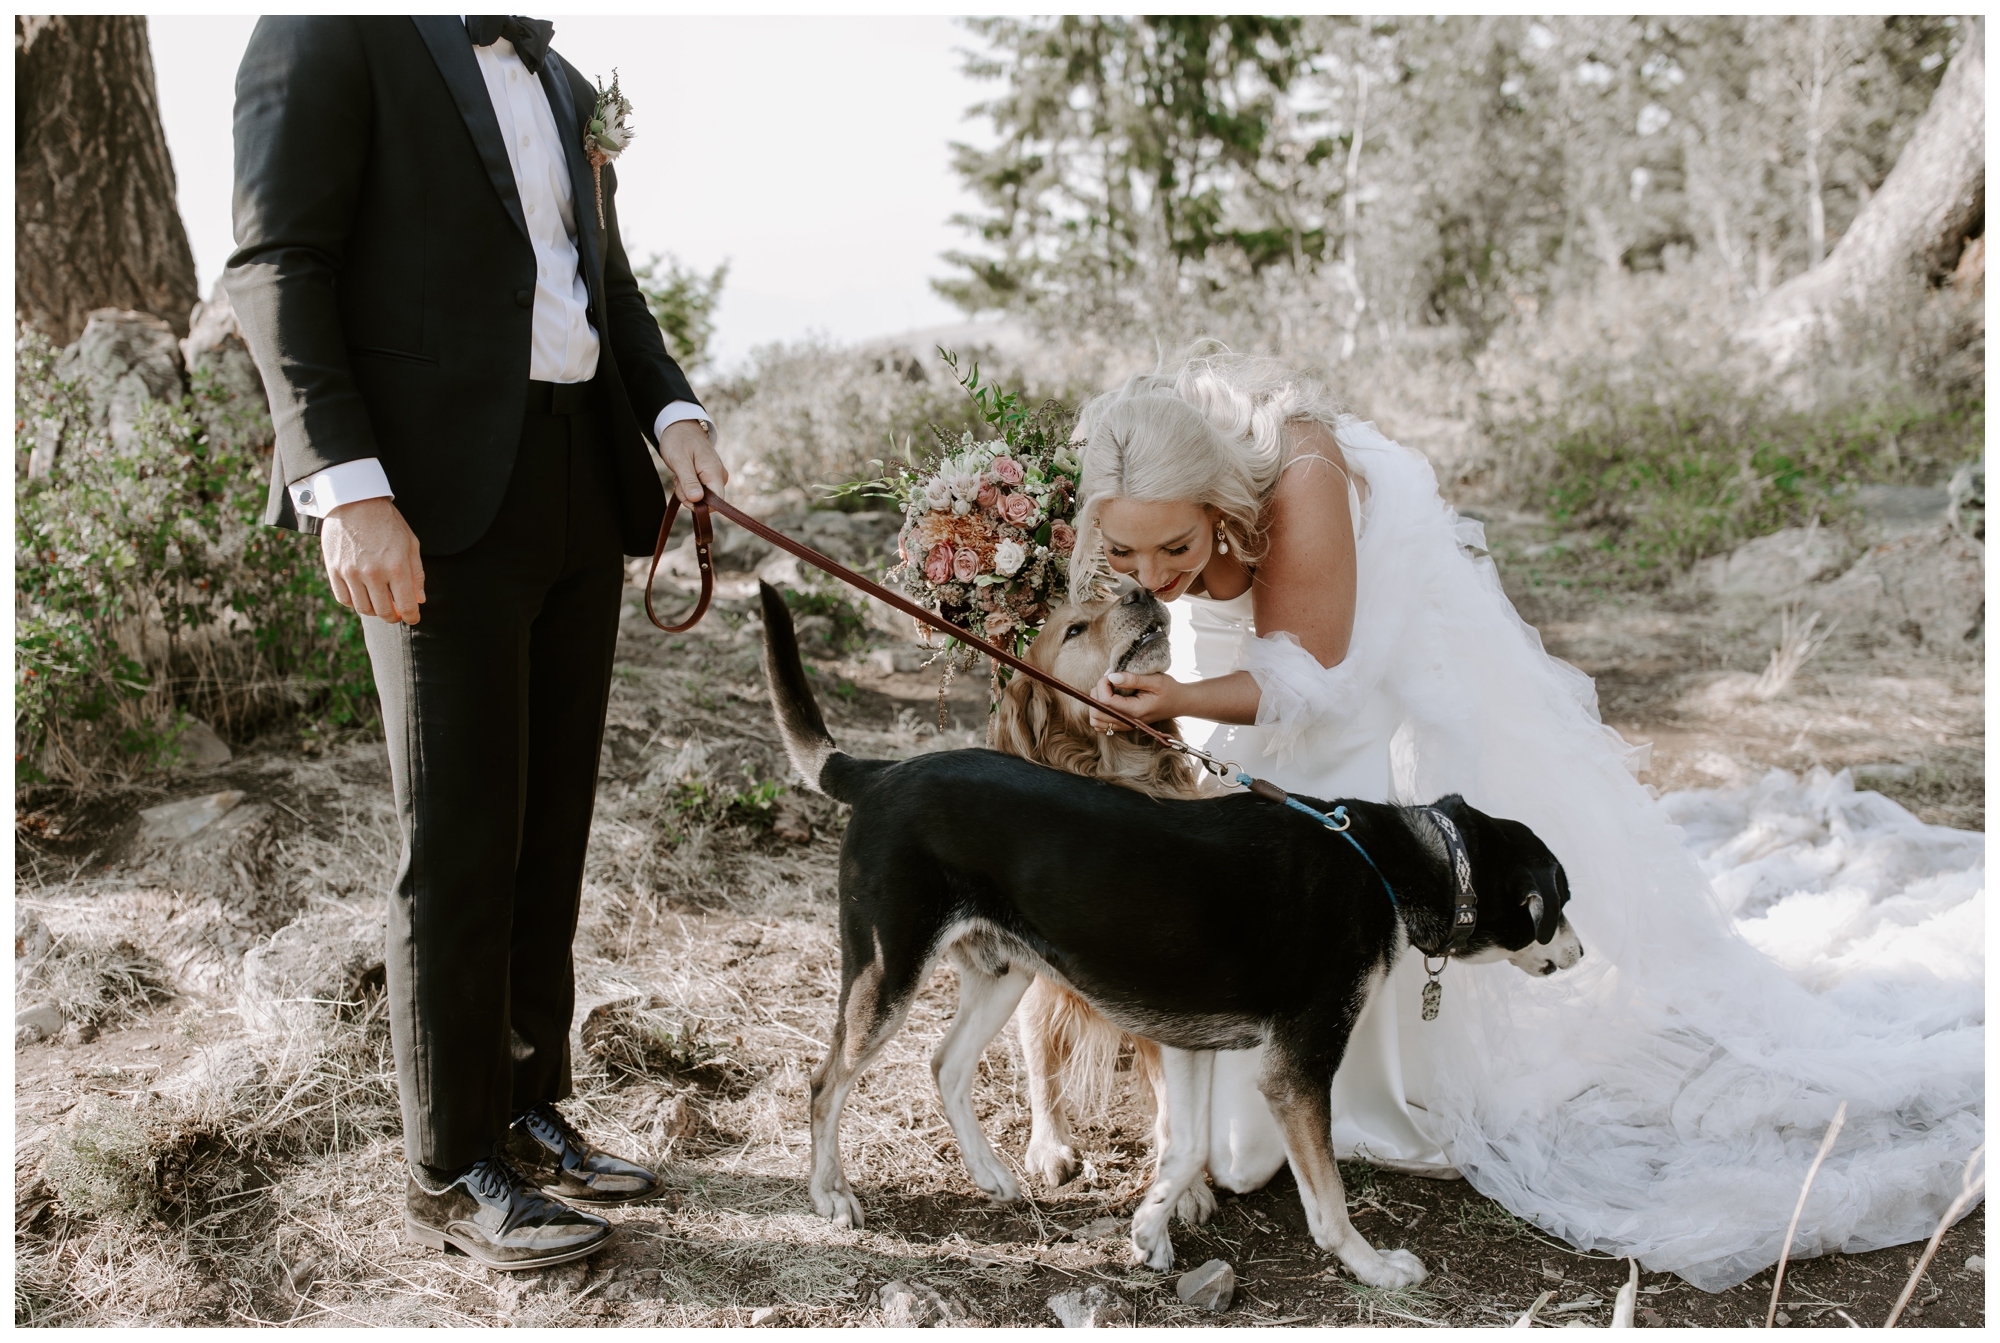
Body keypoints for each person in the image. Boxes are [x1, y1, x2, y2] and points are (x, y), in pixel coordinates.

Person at [1068, 348, 1983, 1290]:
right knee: (1247, 845)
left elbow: (1317, 674)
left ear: (1223, 502)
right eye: (1127, 552)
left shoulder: (1300, 477)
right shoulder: (1141, 472)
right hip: (1254, 676)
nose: (1154, 573)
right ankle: (1239, 1101)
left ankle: (1372, 1092)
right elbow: (1182, 618)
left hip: (1343, 676)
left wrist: (1179, 694)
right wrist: (1155, 686)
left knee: (1329, 846)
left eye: (1178, 549)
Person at [226, 16, 729, 1270]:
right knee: (453, 839)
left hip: (575, 477)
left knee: (546, 822)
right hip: (426, 501)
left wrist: (672, 411)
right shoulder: (327, 32)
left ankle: (524, 1101)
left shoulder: (558, 77)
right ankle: (450, 1163)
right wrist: (348, 488)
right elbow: (276, 262)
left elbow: (593, 275)